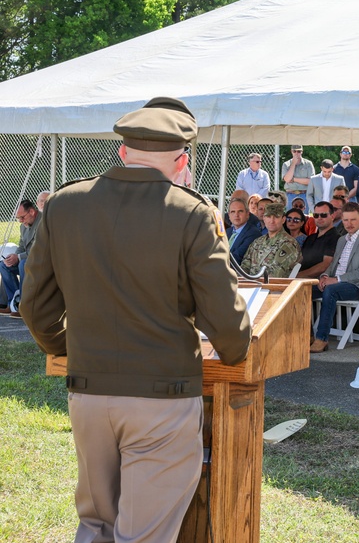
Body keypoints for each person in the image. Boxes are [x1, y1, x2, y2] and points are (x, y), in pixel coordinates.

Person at [21, 96, 251, 542]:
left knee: (95, 525)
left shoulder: (65, 204)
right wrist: (236, 348)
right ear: (182, 162)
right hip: (162, 396)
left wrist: (66, 346)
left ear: (123, 151)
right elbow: (226, 322)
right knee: (143, 534)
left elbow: (35, 307)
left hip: (88, 391)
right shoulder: (191, 212)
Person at [311, 203, 359, 353]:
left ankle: (321, 338)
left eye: (353, 219)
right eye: (345, 220)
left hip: (357, 286)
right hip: (336, 282)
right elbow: (333, 264)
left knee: (331, 290)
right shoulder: (342, 239)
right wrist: (324, 276)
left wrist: (335, 280)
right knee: (303, 290)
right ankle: (308, 335)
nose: (349, 224)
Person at [242, 203, 301, 277]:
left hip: (271, 283)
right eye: (268, 216)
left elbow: (276, 274)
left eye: (276, 217)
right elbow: (245, 266)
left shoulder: (289, 243)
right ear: (264, 218)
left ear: (283, 219)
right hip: (251, 283)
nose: (272, 221)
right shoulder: (257, 242)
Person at [0, 200, 39, 315]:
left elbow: (39, 249)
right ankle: (12, 304)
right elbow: (21, 245)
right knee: (3, 265)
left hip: (41, 261)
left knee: (23, 264)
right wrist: (13, 256)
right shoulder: (24, 226)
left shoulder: (42, 223)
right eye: (18, 218)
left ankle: (23, 306)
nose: (21, 221)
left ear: (31, 212)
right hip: (26, 259)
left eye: (22, 217)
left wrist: (18, 257)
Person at [297, 201, 341, 279]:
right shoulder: (310, 238)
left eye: (323, 215)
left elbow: (325, 265)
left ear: (332, 216)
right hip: (299, 279)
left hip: (317, 282)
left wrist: (297, 276)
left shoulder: (336, 238)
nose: (319, 218)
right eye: (316, 215)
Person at [225, 197, 265, 266]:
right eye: (233, 212)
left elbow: (237, 257)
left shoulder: (253, 233)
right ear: (229, 215)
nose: (236, 215)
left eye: (240, 211)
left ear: (247, 214)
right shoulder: (227, 232)